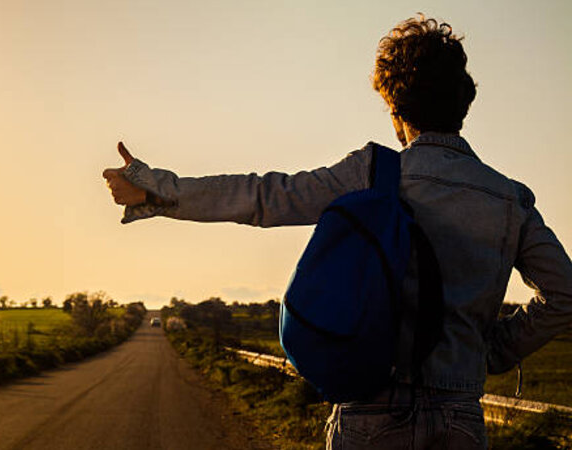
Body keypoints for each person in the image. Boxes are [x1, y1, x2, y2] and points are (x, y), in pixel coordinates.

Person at [102, 14, 572, 449]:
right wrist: (493, 352)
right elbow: (564, 294)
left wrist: (154, 189)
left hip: (370, 412)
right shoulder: (510, 198)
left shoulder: (373, 173)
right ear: (464, 103)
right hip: (461, 418)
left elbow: (263, 197)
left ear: (394, 107)